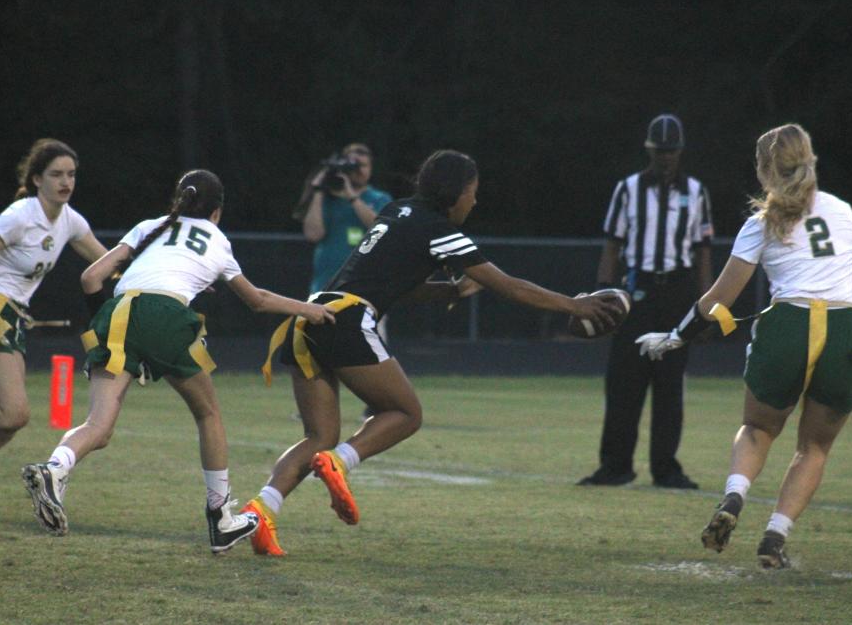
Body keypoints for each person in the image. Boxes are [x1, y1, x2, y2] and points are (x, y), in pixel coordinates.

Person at [244, 150, 623, 556]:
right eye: (472, 193)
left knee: (316, 435)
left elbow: (391, 280)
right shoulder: (438, 228)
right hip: (348, 320)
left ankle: (260, 514)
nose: (474, 202)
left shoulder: (396, 210)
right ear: (456, 192)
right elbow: (507, 285)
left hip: (312, 314)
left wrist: (450, 290)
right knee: (406, 413)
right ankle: (339, 462)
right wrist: (574, 304)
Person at [20, 170, 334, 553]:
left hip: (115, 314)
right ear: (216, 211)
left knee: (97, 426)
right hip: (166, 315)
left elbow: (91, 276)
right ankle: (221, 518)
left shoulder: (150, 226)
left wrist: (112, 326)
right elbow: (258, 300)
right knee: (208, 414)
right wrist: (310, 310)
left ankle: (55, 469)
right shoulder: (216, 240)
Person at [637, 124, 852, 568]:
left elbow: (718, 300)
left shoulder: (761, 223)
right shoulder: (843, 211)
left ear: (764, 170)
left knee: (757, 429)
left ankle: (734, 498)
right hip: (847, 332)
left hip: (787, 328)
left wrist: (677, 337)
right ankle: (774, 538)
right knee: (813, 447)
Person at [0, 139, 107, 517]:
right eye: (56, 174)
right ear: (36, 179)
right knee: (14, 414)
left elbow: (108, 262)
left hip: (13, 317)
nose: (66, 182)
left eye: (71, 174)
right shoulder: (19, 216)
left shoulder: (71, 221)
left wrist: (159, 277)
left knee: (3, 424)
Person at [579, 114, 714, 489]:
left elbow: (703, 251)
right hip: (636, 293)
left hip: (678, 291)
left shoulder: (697, 192)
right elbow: (613, 243)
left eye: (672, 151)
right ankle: (615, 466)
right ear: (649, 150)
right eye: (660, 151)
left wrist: (706, 305)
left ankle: (666, 470)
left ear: (680, 151)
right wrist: (603, 293)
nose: (666, 157)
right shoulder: (628, 189)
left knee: (670, 385)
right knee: (624, 382)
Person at [294, 143, 394, 295]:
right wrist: (318, 190)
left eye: (362, 165)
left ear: (370, 168)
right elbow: (313, 235)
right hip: (326, 285)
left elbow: (381, 227)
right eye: (353, 166)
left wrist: (352, 196)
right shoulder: (328, 199)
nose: (358, 170)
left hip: (366, 287)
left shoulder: (379, 198)